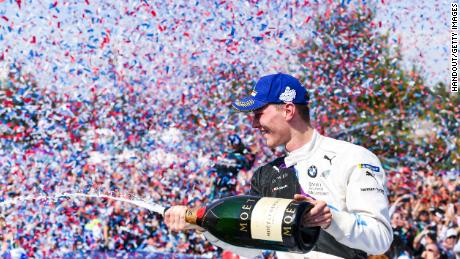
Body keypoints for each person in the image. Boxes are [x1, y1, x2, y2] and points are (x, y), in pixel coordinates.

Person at [165, 73, 393, 258]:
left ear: (288, 110)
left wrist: (330, 219)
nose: (254, 124)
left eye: (259, 113)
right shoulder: (265, 174)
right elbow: (251, 249)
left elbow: (380, 240)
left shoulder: (354, 158)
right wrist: (200, 225)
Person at [209, 134, 255, 199]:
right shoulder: (224, 155)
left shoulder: (238, 157)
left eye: (235, 146)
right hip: (221, 185)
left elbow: (247, 168)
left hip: (229, 186)